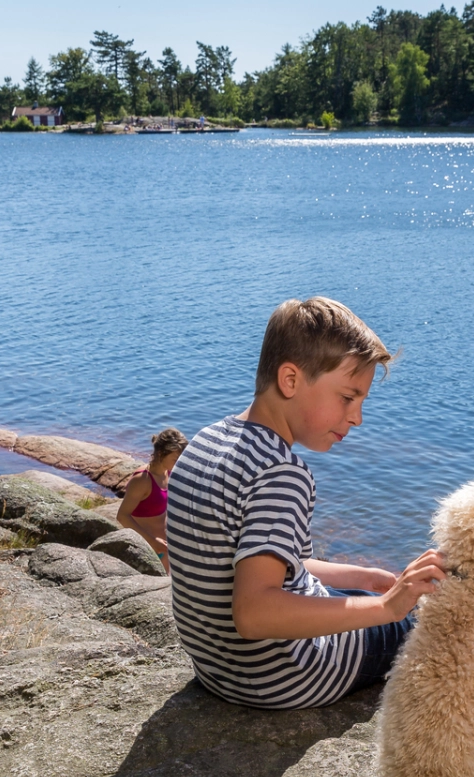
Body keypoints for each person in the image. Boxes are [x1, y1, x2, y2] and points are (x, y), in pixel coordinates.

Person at [165, 296, 447, 710]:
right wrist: (387, 606)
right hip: (287, 675)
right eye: (349, 397)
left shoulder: (203, 443)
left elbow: (255, 563)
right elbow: (255, 612)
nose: (357, 418)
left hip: (218, 670)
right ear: (291, 380)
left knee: (359, 593)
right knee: (425, 623)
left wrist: (366, 578)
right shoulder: (282, 473)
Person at [117, 427, 188, 570]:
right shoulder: (142, 479)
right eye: (175, 459)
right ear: (161, 454)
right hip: (150, 550)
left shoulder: (168, 473)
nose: (179, 463)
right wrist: (152, 542)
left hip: (166, 548)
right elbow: (122, 516)